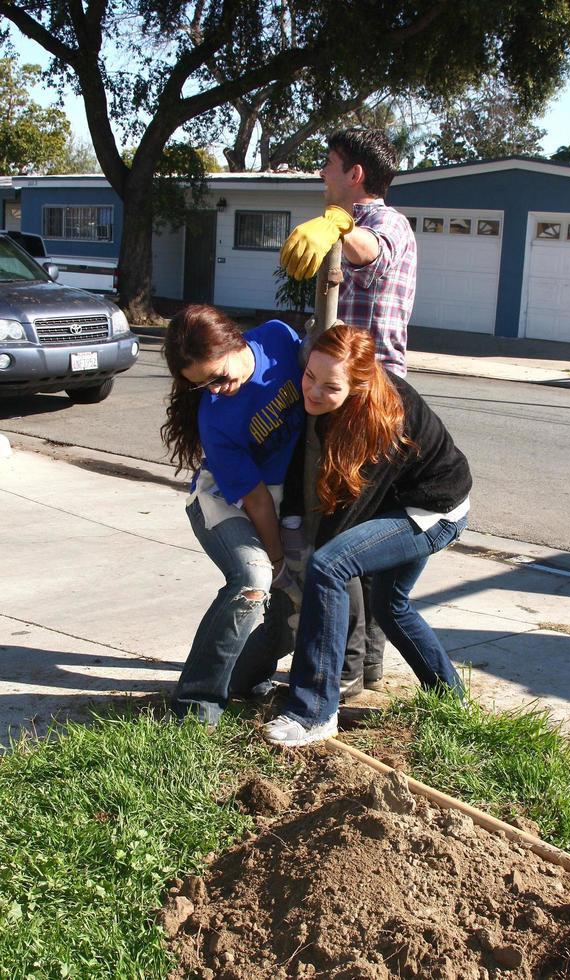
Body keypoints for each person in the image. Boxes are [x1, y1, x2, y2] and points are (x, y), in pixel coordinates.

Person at [264, 324, 472, 748]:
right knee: (390, 606)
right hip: (403, 501)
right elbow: (302, 461)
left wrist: (306, 570)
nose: (314, 391)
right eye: (310, 376)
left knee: (329, 565)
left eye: (331, 386)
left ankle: (315, 713)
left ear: (359, 386)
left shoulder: (382, 421)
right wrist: (290, 520)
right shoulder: (326, 400)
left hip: (434, 509)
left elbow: (348, 520)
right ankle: (452, 697)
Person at [281, 127, 418, 692]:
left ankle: (351, 671)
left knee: (344, 529)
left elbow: (373, 253)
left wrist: (341, 222)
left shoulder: (384, 223)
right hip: (345, 389)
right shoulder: (351, 223)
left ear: (355, 172)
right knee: (341, 525)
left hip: (366, 396)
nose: (322, 174)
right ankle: (359, 666)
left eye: (329, 163)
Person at [161, 304, 304, 724]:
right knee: (254, 580)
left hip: (284, 498)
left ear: (235, 342)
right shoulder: (216, 417)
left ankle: (244, 678)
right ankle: (195, 705)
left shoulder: (278, 338)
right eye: (201, 385)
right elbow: (256, 499)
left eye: (218, 376)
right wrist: (278, 559)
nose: (215, 389)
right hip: (223, 502)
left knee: (294, 607)